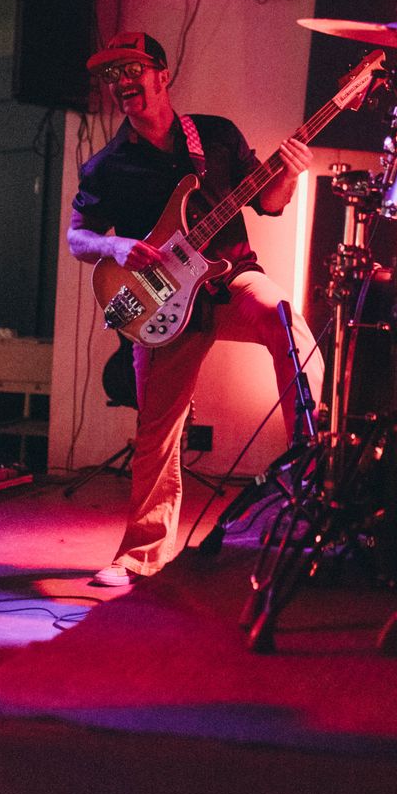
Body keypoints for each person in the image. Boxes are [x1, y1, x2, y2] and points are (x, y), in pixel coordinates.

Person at [67, 31, 324, 586]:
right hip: (160, 303)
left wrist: (289, 172)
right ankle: (142, 554)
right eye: (112, 75)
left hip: (230, 280)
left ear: (162, 75)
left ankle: (309, 470)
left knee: (287, 323)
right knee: (157, 431)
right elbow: (77, 237)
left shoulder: (216, 135)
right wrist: (117, 247)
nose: (122, 82)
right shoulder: (108, 165)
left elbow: (269, 201)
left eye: (133, 69)